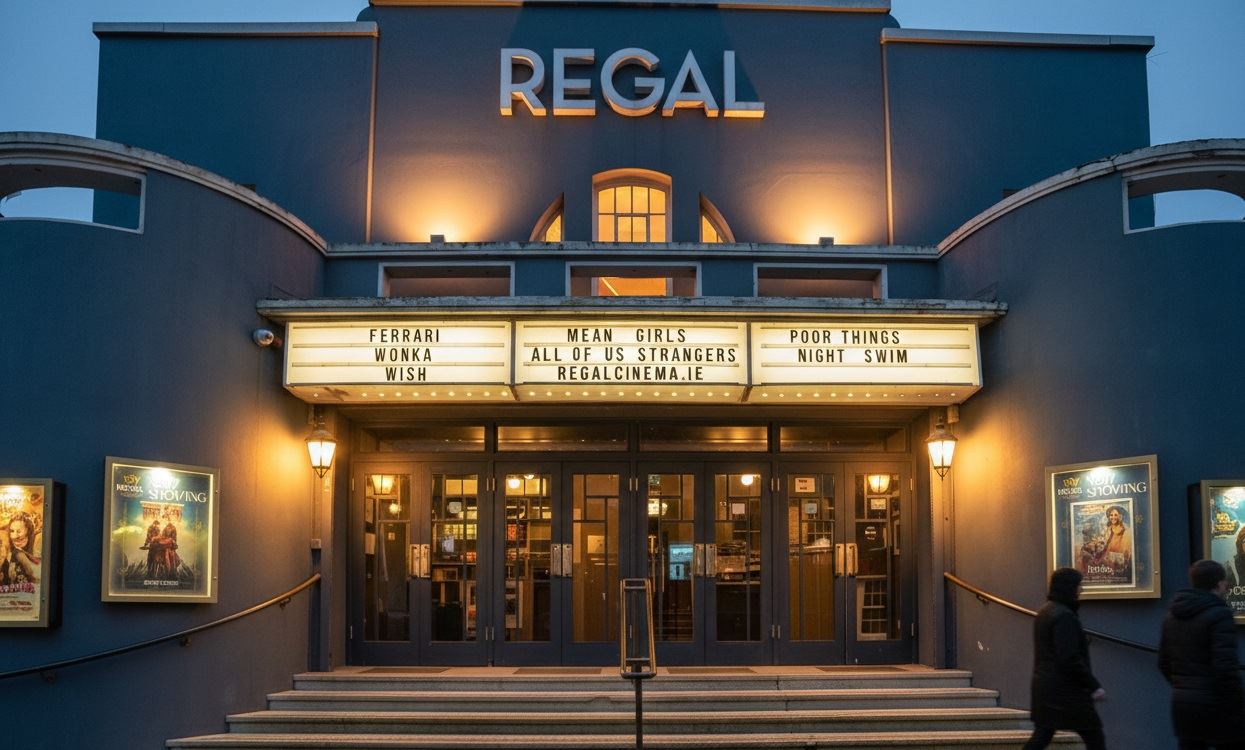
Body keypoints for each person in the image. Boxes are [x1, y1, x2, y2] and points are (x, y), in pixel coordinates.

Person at [1158, 559, 1245, 750]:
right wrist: (1237, 701)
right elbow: (1225, 667)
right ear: (1218, 583)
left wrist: (1184, 687)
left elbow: (1163, 662)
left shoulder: (1172, 615)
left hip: (1182, 704)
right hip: (1217, 705)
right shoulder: (1220, 614)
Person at [1024, 567, 1108, 750]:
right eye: (1079, 585)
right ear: (1070, 587)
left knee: (1042, 735)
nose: (1081, 590)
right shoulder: (1064, 616)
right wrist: (1093, 685)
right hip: (1066, 691)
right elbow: (1070, 657)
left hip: (1046, 688)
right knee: (1094, 735)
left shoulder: (1045, 612)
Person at [1100, 505, 1132, 573]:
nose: (1113, 517)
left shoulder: (1126, 530)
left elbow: (1126, 551)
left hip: (1118, 563)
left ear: (1120, 516)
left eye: (1116, 515)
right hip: (1106, 562)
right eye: (1111, 515)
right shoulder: (1107, 529)